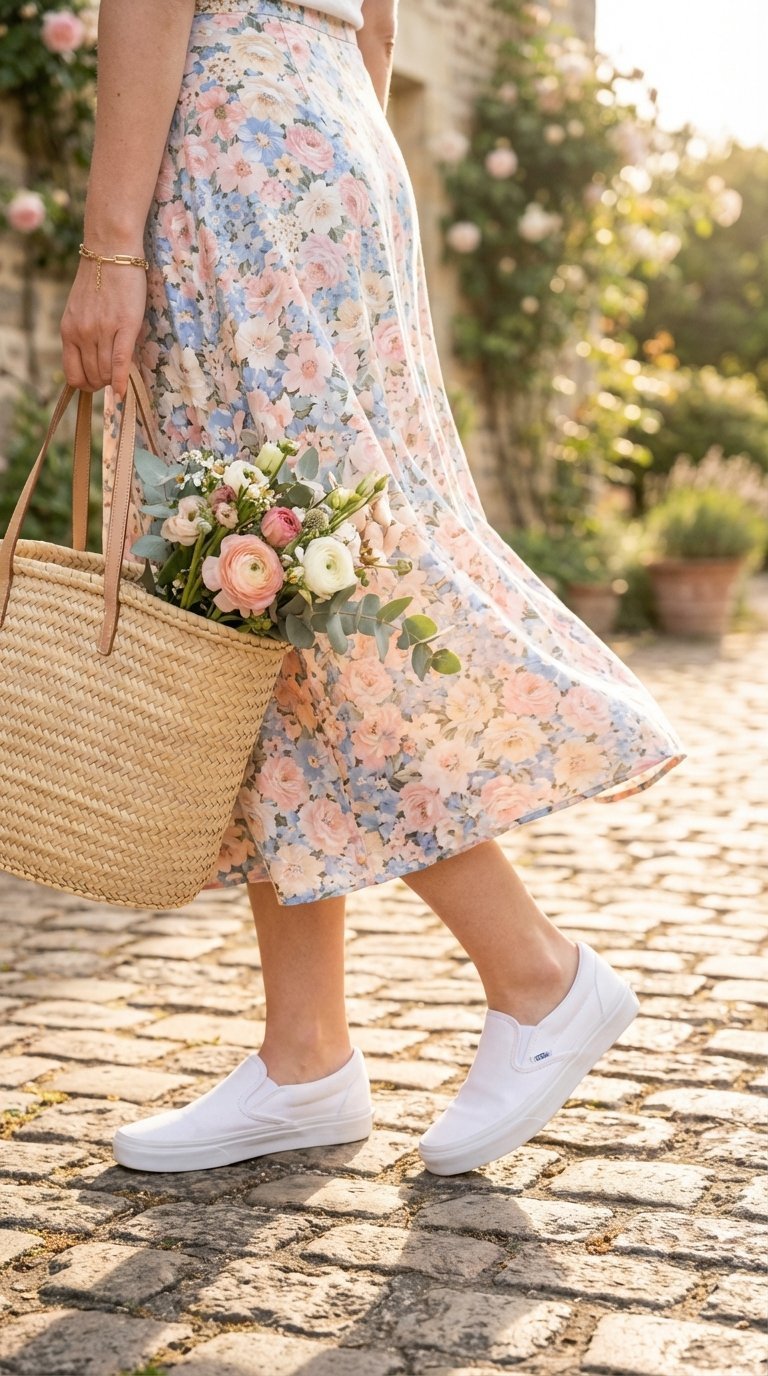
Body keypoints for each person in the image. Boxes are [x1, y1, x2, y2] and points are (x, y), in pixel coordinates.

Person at [60, 0, 687, 1178]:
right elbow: (382, 27)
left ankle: (535, 971)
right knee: (270, 589)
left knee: (296, 588)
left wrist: (110, 246)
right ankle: (305, 1055)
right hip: (338, 132)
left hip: (233, 154)